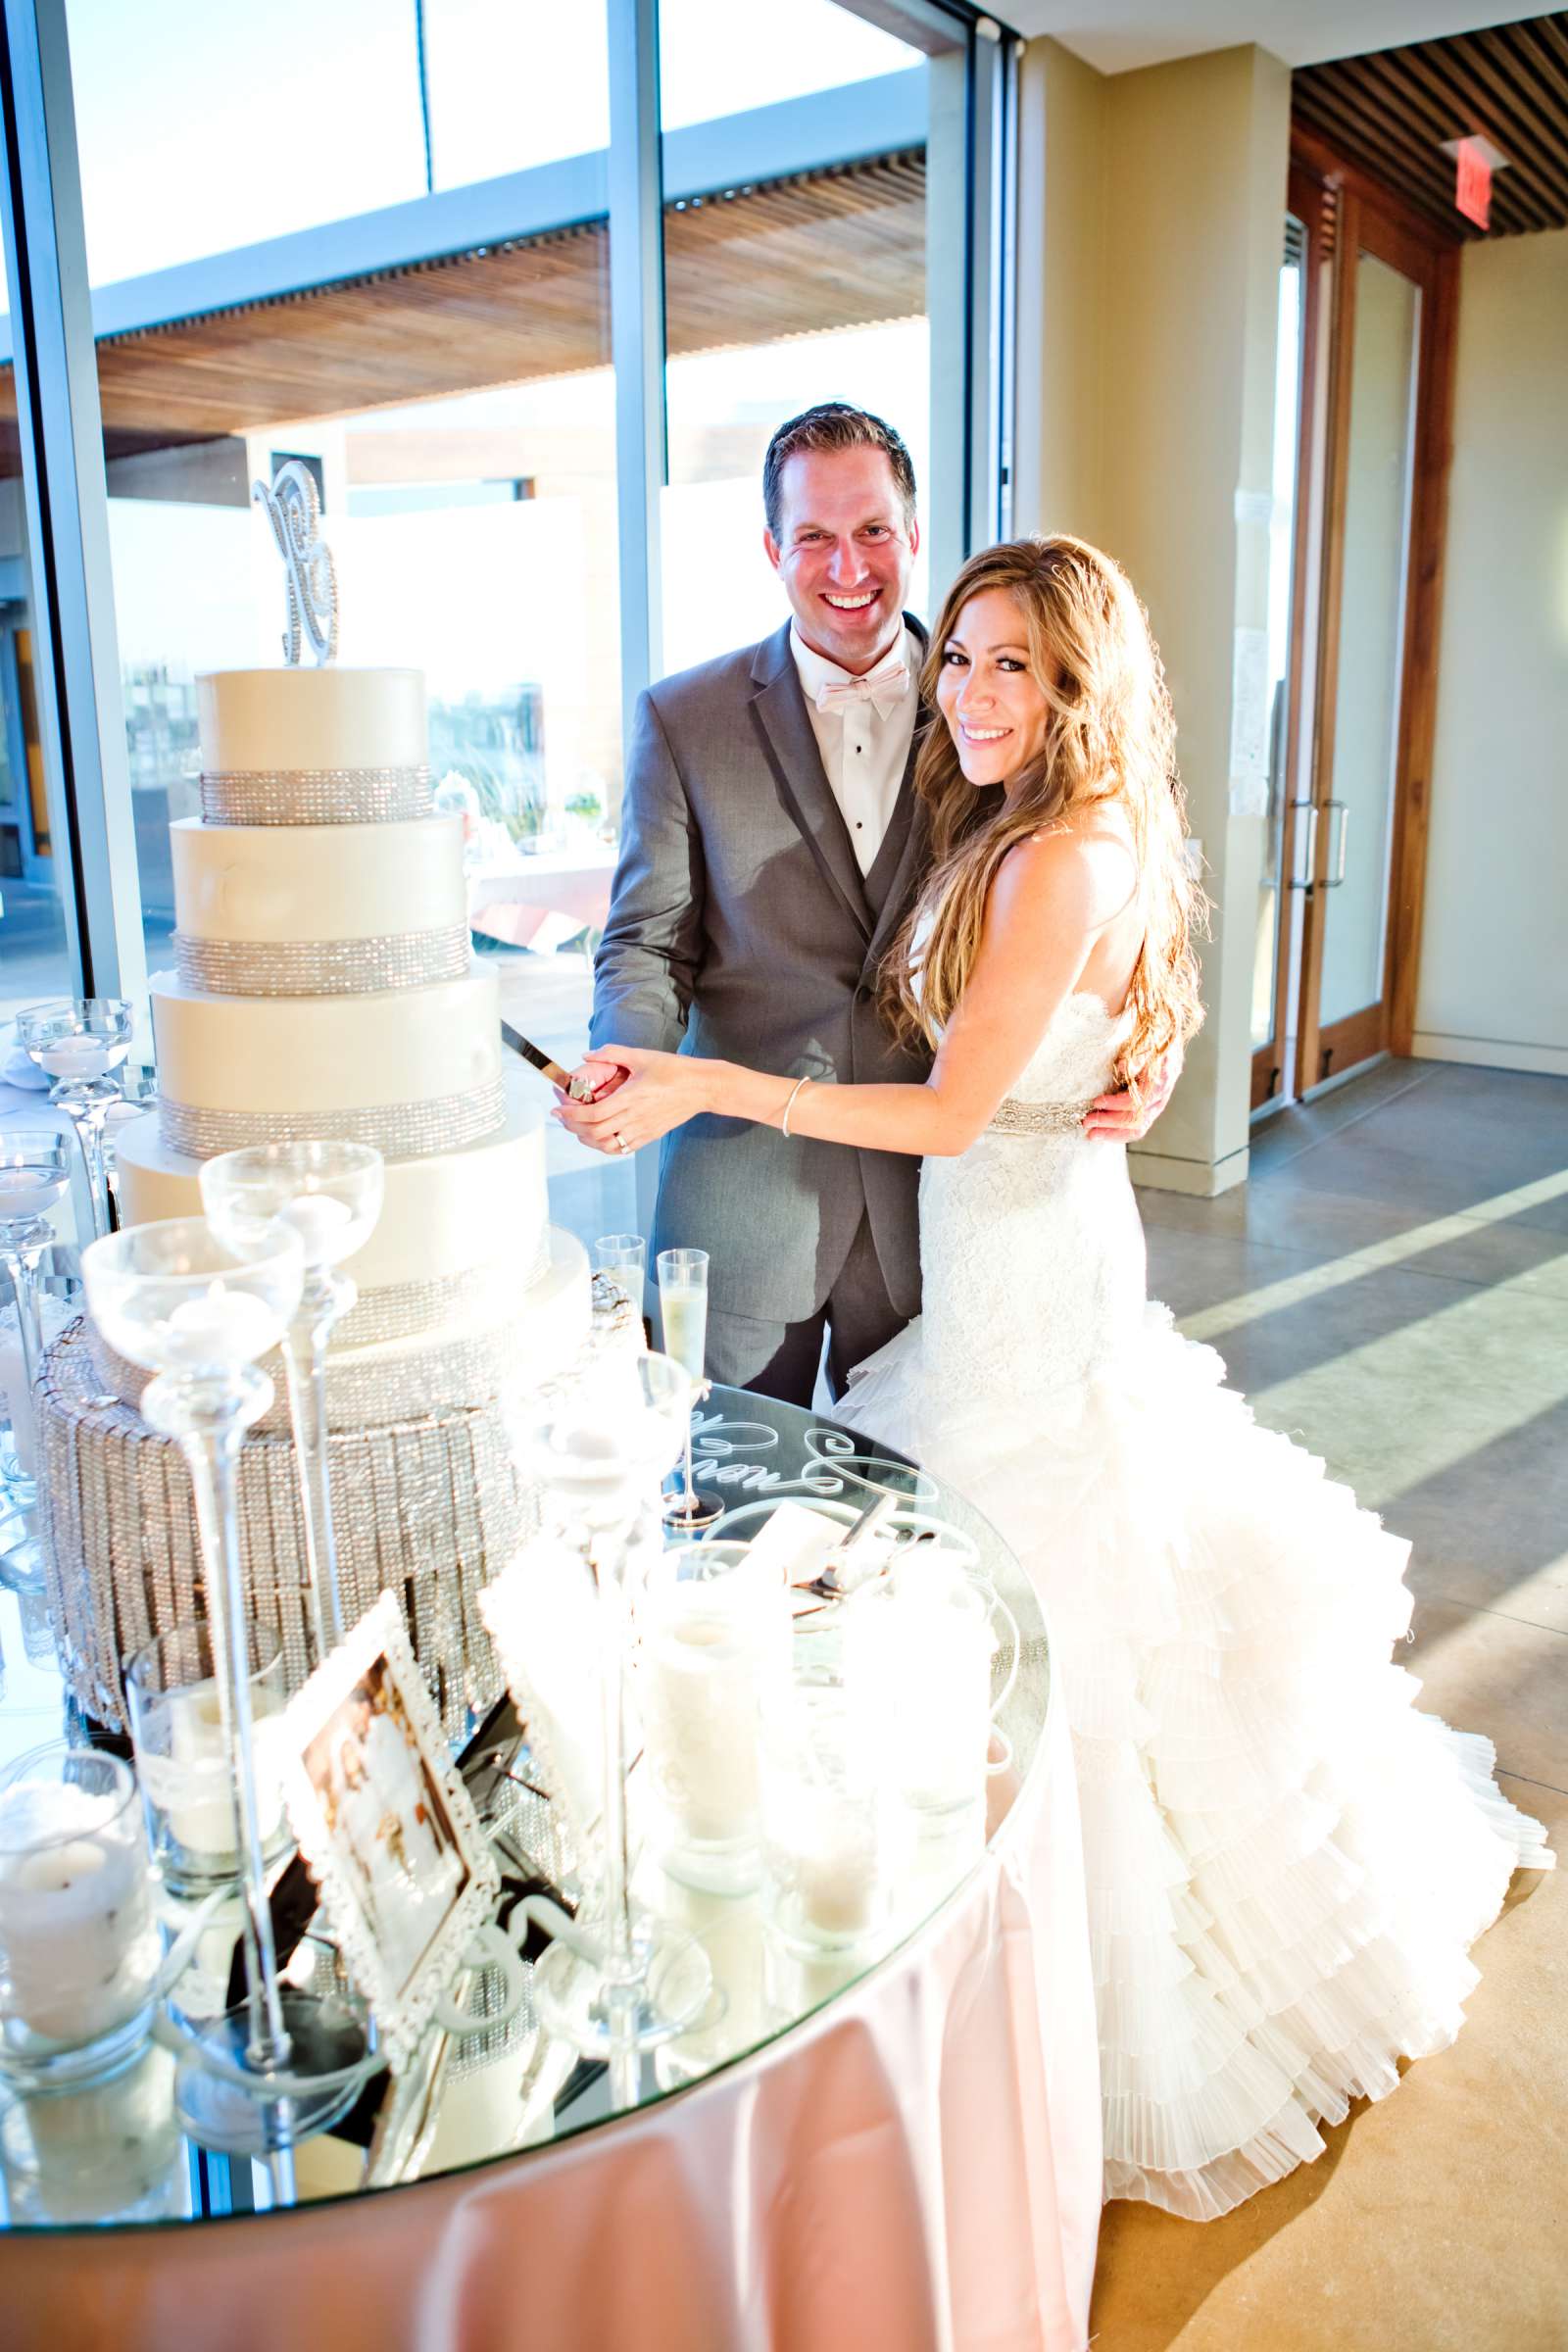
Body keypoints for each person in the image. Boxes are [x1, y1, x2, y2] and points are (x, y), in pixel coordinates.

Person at [562, 535, 1552, 2221]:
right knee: (1025, 1591)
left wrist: (707, 1087)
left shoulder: (1056, 855)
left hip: (1021, 1272)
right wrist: (1135, 1033)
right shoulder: (1030, 823)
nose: (968, 691)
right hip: (1026, 1251)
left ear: (1077, 678)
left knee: (1062, 1617)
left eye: (1011, 663)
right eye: (957, 658)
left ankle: (1082, 1997)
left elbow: (953, 1110)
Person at [558, 403, 1168, 1402]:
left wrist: (1136, 1049)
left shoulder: (995, 698)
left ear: (913, 537)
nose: (849, 567)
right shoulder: (683, 717)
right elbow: (645, 942)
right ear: (771, 547)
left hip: (936, 1211)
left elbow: (1096, 893)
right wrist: (629, 1060)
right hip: (740, 1195)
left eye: (873, 532)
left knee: (916, 1529)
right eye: (815, 537)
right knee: (724, 1499)